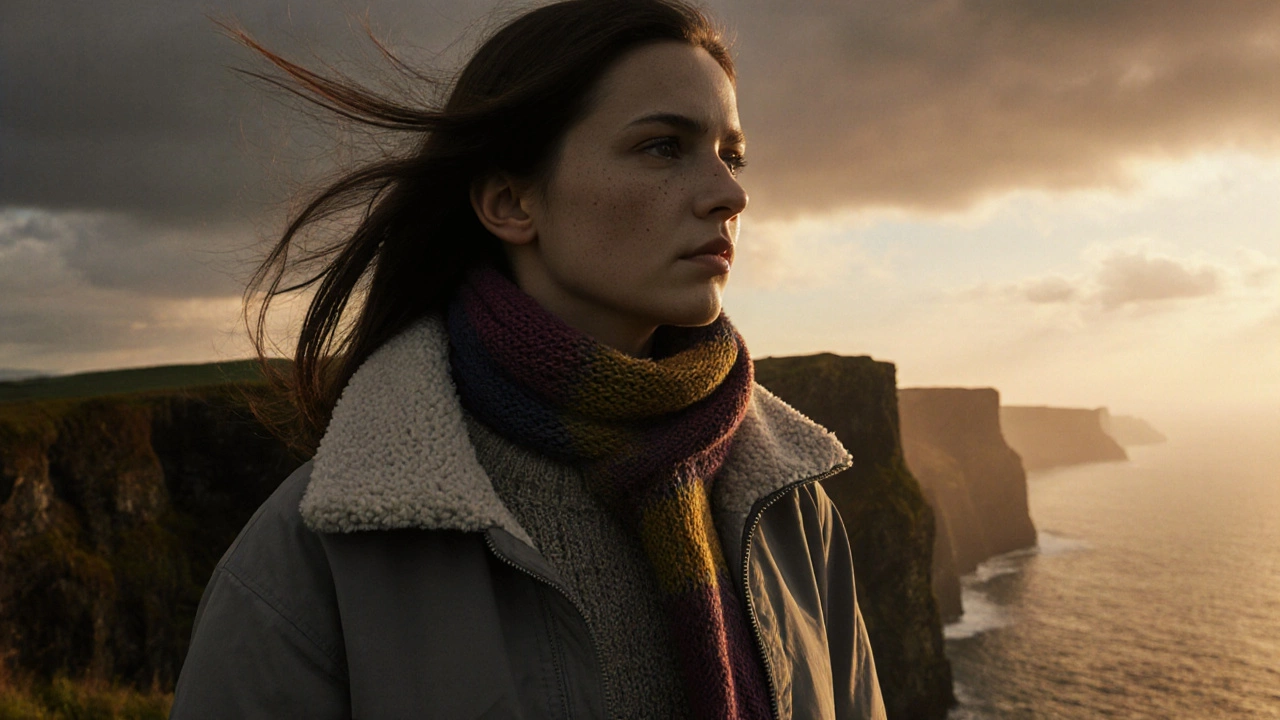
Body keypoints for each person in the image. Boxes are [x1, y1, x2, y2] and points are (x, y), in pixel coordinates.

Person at [171, 0, 886, 718]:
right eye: (664, 146)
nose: (730, 194)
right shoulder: (319, 552)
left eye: (730, 155)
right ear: (512, 202)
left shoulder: (789, 510)